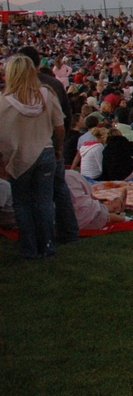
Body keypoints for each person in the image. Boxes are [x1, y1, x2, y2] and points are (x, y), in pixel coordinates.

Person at [0, 54, 67, 259]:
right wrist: (58, 148)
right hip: (45, 152)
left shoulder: (4, 102)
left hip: (19, 156)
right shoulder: (47, 95)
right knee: (45, 202)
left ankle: (29, 249)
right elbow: (60, 126)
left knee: (22, 204)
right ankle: (47, 247)